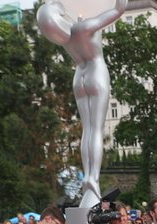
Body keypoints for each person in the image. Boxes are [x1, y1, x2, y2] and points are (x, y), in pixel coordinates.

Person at [37, 0, 127, 208]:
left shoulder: (66, 39)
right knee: (96, 129)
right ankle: (92, 178)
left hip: (80, 76)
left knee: (88, 129)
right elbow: (118, 10)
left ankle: (89, 175)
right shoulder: (83, 27)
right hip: (96, 72)